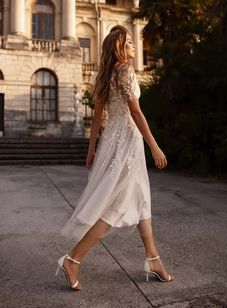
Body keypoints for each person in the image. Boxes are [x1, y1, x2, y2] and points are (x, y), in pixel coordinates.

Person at [56, 28, 173, 291]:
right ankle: (73, 259)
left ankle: (153, 259)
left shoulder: (107, 74)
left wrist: (92, 149)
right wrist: (153, 145)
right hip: (127, 143)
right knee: (115, 206)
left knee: (141, 198)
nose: (134, 45)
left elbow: (97, 116)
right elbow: (135, 110)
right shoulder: (125, 70)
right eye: (129, 42)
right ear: (119, 46)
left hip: (114, 140)